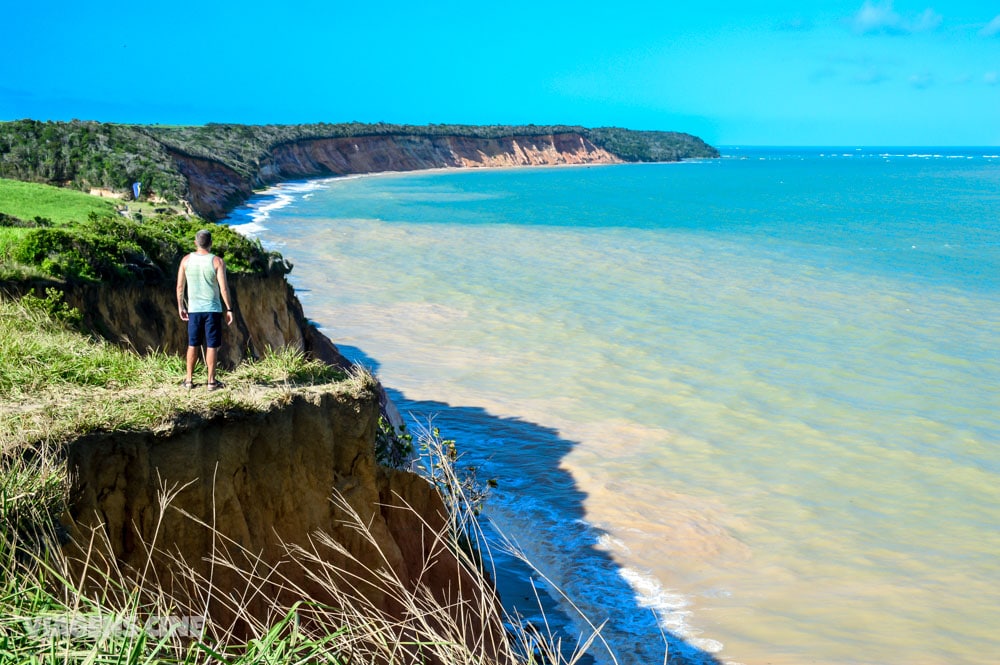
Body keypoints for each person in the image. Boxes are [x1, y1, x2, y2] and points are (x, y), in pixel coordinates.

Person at [176, 229, 234, 390]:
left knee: (193, 344)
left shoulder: (186, 260)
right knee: (212, 345)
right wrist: (229, 309)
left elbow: (180, 287)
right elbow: (224, 289)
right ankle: (211, 382)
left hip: (193, 310)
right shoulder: (217, 261)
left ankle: (188, 381)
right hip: (212, 310)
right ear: (211, 243)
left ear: (196, 242)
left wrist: (181, 306)